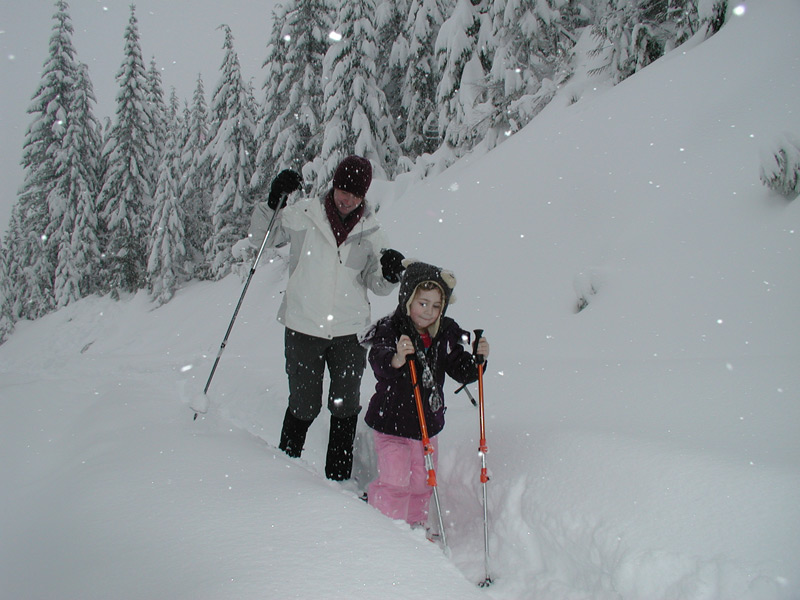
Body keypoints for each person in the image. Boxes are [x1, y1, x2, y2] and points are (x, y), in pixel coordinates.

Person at [246, 155, 406, 481]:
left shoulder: (372, 232)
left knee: (345, 406)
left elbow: (377, 283)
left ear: (364, 196)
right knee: (304, 404)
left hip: (350, 332)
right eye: (343, 190)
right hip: (303, 328)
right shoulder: (305, 215)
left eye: (355, 194)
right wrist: (273, 202)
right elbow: (262, 237)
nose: (347, 199)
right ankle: (284, 467)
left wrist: (389, 275)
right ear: (333, 185)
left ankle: (338, 480)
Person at [362, 260, 490, 528]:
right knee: (395, 481)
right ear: (408, 300)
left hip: (426, 425)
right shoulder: (391, 329)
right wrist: (397, 358)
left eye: (436, 306)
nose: (428, 312)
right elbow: (378, 359)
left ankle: (415, 526)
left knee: (423, 481)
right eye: (422, 303)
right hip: (391, 422)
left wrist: (478, 360)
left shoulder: (445, 333)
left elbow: (460, 368)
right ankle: (387, 528)